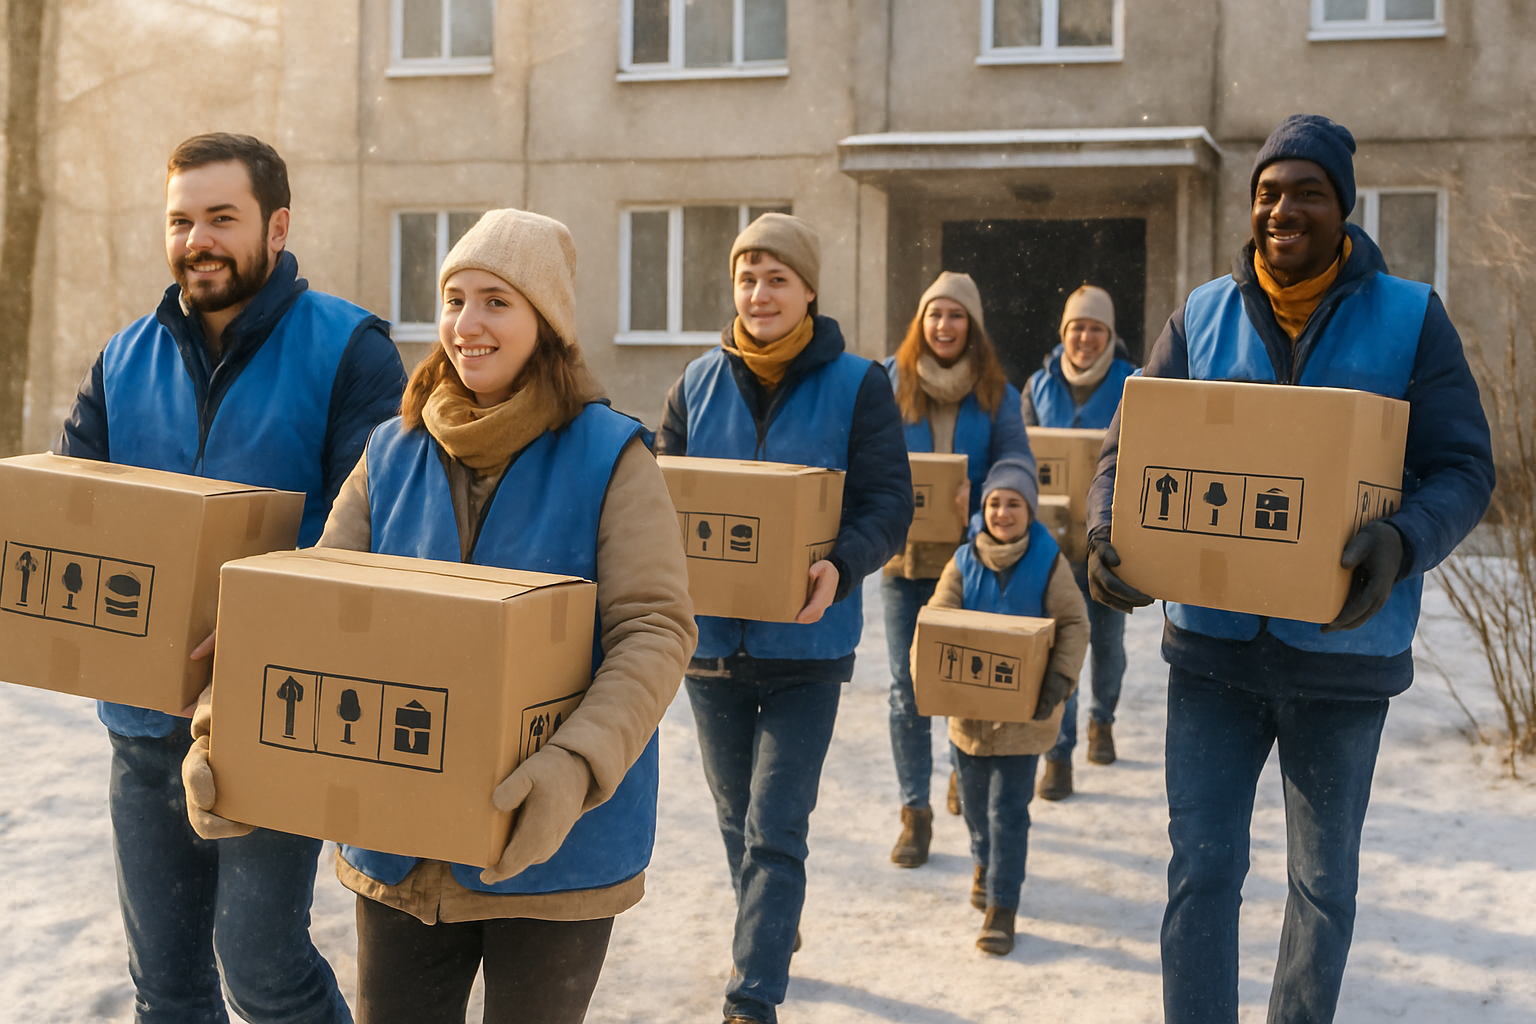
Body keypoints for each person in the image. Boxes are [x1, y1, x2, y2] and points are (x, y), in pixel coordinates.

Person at [184, 209, 698, 1023]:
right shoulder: (391, 453)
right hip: (399, 839)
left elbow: (655, 631)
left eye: (496, 301)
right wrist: (225, 730)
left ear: (546, 322)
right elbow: (307, 607)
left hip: (552, 848)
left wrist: (573, 768)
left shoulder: (612, 458)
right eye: (455, 299)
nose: (468, 324)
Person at [1086, 114, 1495, 1024]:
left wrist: (1405, 538)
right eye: (1269, 191)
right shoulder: (1200, 315)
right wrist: (1108, 531)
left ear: (1341, 207)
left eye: (1306, 191)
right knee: (1200, 870)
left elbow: (1465, 468)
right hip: (1213, 653)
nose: (1283, 208)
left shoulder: (1411, 318)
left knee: (1321, 887)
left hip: (1343, 656)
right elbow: (1127, 450)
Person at [55, 133, 405, 1023]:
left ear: (277, 226)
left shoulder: (350, 349)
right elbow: (71, 519)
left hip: (271, 717)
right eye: (180, 220)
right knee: (165, 988)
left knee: (263, 972)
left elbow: (370, 529)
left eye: (221, 218)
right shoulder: (123, 356)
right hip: (142, 723)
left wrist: (258, 629)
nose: (196, 240)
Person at [657, 213, 912, 1024]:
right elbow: (653, 506)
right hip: (710, 648)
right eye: (746, 277)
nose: (758, 294)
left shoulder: (858, 383)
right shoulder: (695, 383)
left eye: (775, 279)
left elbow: (887, 504)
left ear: (807, 291)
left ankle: (752, 993)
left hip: (808, 643)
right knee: (737, 819)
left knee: (775, 823)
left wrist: (840, 567)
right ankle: (770, 930)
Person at [880, 271, 1034, 866]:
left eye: (956, 316)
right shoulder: (888, 382)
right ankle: (914, 812)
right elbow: (864, 451)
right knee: (907, 686)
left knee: (964, 684)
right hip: (905, 557)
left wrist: (994, 494)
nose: (944, 326)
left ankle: (959, 767)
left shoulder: (998, 392)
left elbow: (1016, 457)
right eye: (935, 315)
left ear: (973, 327)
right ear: (921, 322)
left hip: (970, 562)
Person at [920, 459, 1086, 954]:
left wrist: (1058, 679)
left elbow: (1075, 623)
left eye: (1014, 503)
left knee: (1008, 811)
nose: (1003, 512)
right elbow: (936, 618)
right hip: (968, 716)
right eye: (995, 502)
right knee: (974, 807)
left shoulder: (1048, 561)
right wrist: (928, 676)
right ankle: (983, 863)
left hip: (1025, 718)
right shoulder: (964, 560)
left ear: (1030, 509)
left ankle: (1002, 905)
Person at [1023, 284, 1138, 800]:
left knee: (1107, 645)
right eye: (1077, 328)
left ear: (1110, 335)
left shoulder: (1134, 383)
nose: (1085, 338)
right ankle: (1058, 754)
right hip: (1051, 545)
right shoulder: (1037, 386)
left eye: (1096, 328)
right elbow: (1020, 461)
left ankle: (1103, 718)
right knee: (1058, 647)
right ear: (1063, 332)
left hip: (1111, 542)